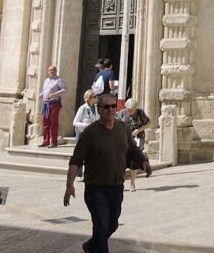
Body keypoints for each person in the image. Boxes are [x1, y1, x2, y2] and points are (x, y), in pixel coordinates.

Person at [64, 92, 152, 253]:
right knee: (101, 226)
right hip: (96, 188)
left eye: (113, 106)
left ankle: (91, 246)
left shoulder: (123, 128)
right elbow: (76, 160)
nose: (111, 109)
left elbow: (132, 149)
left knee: (112, 225)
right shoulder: (90, 132)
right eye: (106, 107)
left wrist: (143, 161)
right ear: (99, 110)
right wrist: (69, 185)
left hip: (117, 187)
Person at [117, 99, 150, 191]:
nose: (130, 111)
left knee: (134, 161)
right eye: (128, 109)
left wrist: (139, 130)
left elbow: (148, 123)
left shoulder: (141, 113)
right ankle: (120, 183)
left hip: (137, 139)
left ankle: (132, 184)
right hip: (123, 139)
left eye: (132, 110)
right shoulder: (121, 113)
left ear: (136, 108)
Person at [39, 64, 67, 147]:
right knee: (45, 122)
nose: (52, 71)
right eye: (50, 70)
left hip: (54, 103)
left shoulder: (59, 80)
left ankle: (53, 142)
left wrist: (55, 94)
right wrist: (41, 95)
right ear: (48, 72)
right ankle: (45, 140)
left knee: (53, 123)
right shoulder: (46, 80)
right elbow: (46, 90)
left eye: (53, 70)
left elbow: (64, 89)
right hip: (46, 103)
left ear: (56, 71)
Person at [73, 90, 98, 180]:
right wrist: (85, 125)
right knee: (80, 154)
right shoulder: (83, 108)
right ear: (88, 98)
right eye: (94, 97)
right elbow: (75, 122)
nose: (95, 98)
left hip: (92, 133)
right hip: (82, 133)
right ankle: (79, 174)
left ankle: (89, 173)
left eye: (95, 97)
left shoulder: (96, 108)